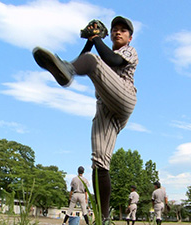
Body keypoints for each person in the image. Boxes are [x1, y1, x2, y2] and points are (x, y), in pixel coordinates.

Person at [33, 16, 138, 223]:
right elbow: (81, 62)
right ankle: (104, 218)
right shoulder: (102, 48)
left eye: (123, 30)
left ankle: (67, 68)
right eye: (115, 29)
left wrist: (96, 38)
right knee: (99, 163)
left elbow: (112, 60)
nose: (117, 32)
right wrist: (90, 41)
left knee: (92, 61)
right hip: (105, 109)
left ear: (130, 38)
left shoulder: (128, 51)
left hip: (124, 97)